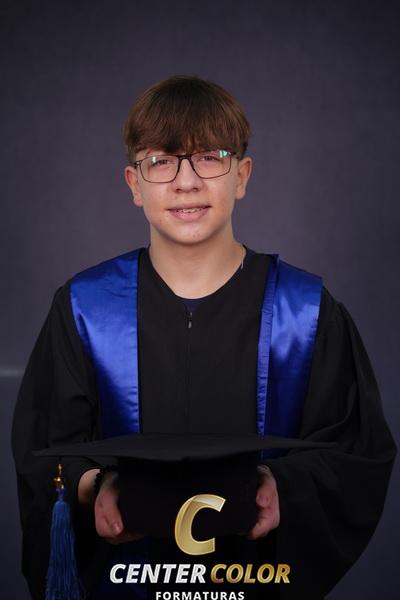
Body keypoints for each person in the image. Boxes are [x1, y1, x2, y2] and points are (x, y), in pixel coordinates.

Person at [12, 75, 396, 600]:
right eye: (161, 161)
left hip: (253, 585)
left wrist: (280, 489)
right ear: (134, 184)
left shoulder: (304, 312)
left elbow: (354, 453)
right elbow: (45, 448)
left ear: (242, 176)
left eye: (210, 157)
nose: (186, 182)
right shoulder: (85, 309)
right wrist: (93, 486)